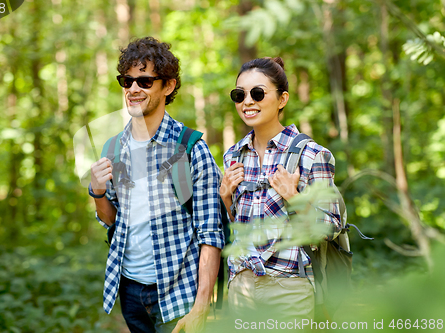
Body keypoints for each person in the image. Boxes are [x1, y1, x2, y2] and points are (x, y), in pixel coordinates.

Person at [88, 37, 224, 333]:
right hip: (129, 292)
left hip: (178, 294)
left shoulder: (189, 148)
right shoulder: (113, 148)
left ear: (169, 86)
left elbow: (211, 233)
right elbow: (112, 220)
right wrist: (97, 192)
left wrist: (202, 307)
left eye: (145, 81)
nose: (134, 89)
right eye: (127, 81)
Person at [220, 57, 342, 321]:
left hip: (289, 288)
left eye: (258, 93)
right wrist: (226, 197)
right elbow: (238, 227)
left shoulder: (311, 154)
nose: (247, 102)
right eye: (239, 95)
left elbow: (331, 227)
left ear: (282, 99)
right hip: (242, 286)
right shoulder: (233, 155)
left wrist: (294, 197)